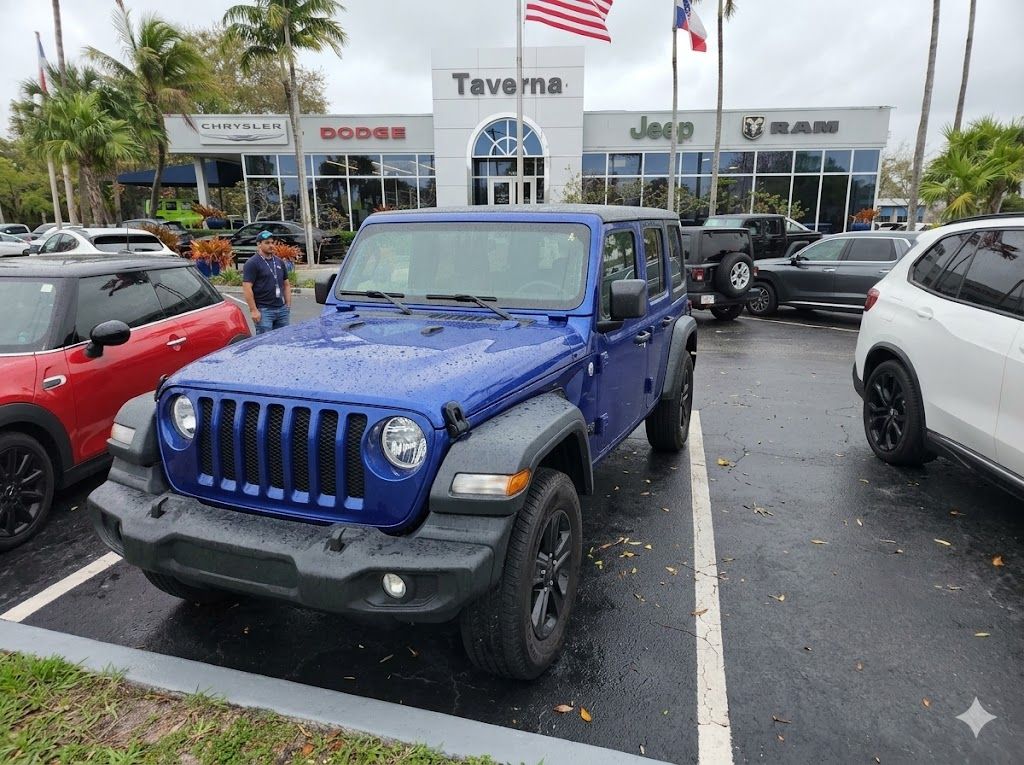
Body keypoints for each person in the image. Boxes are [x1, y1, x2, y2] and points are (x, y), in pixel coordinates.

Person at [242, 230, 291, 334]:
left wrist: (288, 305)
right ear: (259, 244)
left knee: (283, 342)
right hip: (264, 311)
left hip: (282, 310)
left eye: (272, 242)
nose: (271, 245)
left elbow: (286, 284)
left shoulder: (279, 262)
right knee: (265, 344)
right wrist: (253, 310)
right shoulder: (252, 263)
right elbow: (247, 288)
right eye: (267, 243)